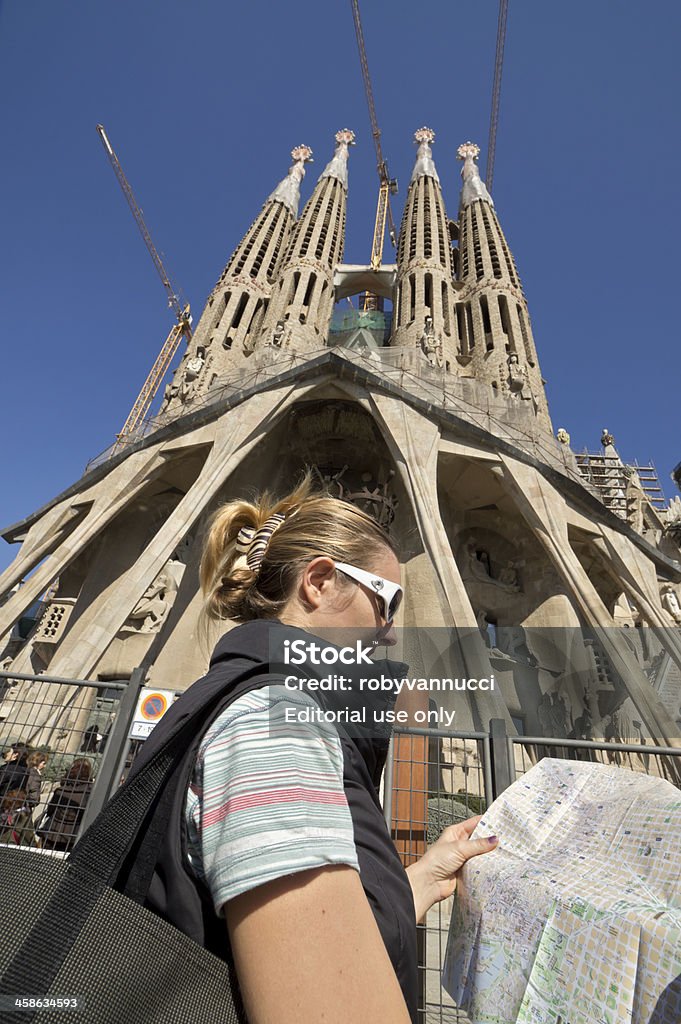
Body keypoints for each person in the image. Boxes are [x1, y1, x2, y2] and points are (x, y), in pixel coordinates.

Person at [124, 475, 498, 1023]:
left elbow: (317, 938)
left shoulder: (247, 698)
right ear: (320, 582)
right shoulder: (277, 728)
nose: (391, 632)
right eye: (386, 602)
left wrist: (423, 875)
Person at [37, 758, 93, 853]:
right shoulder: (90, 792)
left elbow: (50, 810)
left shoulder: (61, 791)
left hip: (52, 833)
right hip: (74, 836)